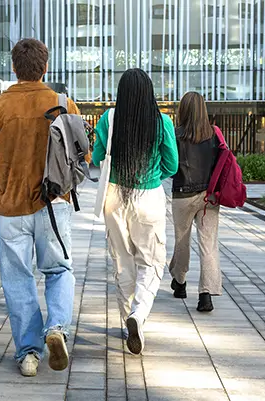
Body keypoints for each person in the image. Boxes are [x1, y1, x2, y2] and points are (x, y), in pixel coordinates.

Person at [0, 38, 80, 377]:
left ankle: (29, 354)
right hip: (54, 204)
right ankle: (57, 328)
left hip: (10, 208)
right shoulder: (63, 103)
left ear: (14, 68)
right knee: (59, 270)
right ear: (45, 67)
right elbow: (82, 156)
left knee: (17, 279)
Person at [92, 68, 178, 355]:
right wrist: (152, 176)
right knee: (151, 261)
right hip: (148, 196)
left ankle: (126, 318)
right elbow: (172, 165)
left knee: (122, 261)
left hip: (114, 196)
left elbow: (96, 157)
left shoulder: (109, 118)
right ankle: (138, 316)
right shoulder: (162, 121)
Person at [169, 91, 222, 312]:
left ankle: (180, 283)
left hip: (182, 195)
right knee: (208, 244)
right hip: (209, 197)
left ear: (183, 109)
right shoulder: (214, 134)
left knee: (182, 240)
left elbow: (171, 166)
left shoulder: (175, 133)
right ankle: (205, 295)